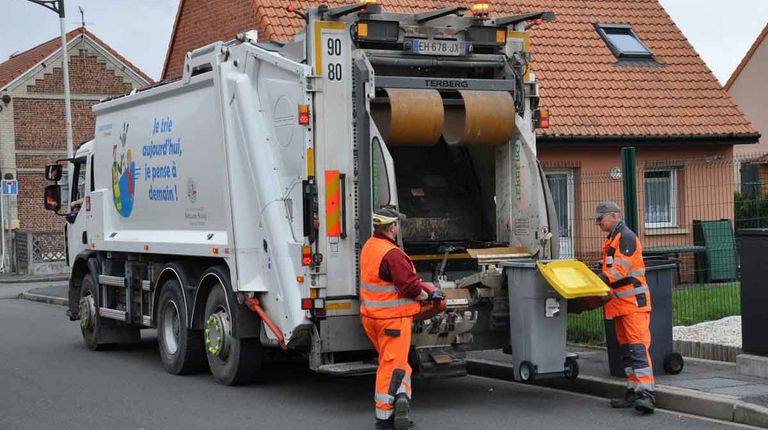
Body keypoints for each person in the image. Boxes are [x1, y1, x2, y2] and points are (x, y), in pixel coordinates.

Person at [360, 208, 445, 430]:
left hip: (372, 317)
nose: (399, 227)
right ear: (392, 227)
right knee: (391, 367)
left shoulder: (370, 246)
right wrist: (429, 295)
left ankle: (401, 400)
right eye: (398, 224)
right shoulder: (392, 254)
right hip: (393, 321)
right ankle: (384, 418)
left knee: (397, 362)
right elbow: (409, 287)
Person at [592, 201, 655, 414]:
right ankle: (633, 390)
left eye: (600, 218)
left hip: (633, 304)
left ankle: (646, 393)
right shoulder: (614, 239)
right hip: (620, 304)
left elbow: (619, 270)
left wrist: (596, 280)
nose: (597, 223)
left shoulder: (626, 237)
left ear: (613, 216)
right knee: (627, 351)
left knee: (637, 347)